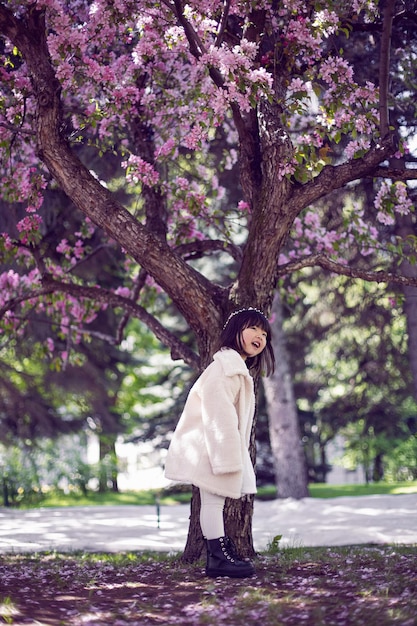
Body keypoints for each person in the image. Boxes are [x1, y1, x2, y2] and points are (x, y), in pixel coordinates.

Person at [164, 307, 275, 578]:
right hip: (211, 449)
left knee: (213, 503)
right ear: (235, 332)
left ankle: (220, 553)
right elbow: (219, 415)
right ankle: (217, 557)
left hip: (213, 447)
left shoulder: (234, 368)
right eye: (252, 329)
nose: (259, 336)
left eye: (264, 333)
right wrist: (226, 458)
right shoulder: (225, 368)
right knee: (212, 503)